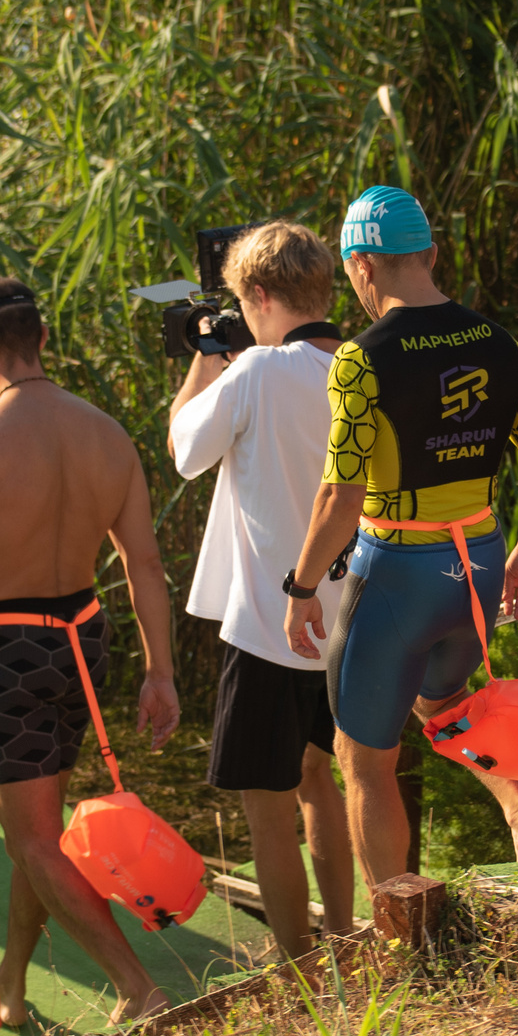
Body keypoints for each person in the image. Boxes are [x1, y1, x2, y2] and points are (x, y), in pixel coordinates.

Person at [282, 186, 518, 884]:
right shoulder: (498, 343)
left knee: (362, 757)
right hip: (479, 557)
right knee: (443, 701)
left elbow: (340, 496)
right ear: (432, 253)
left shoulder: (361, 358)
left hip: (398, 567)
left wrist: (302, 586)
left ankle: (395, 921)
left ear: (360, 266)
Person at [0, 280, 182, 1025]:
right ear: (41, 338)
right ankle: (10, 982)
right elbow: (146, 565)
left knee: (35, 839)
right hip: (84, 638)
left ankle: (138, 987)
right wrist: (160, 671)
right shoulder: (106, 432)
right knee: (36, 826)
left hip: (13, 649)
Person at [166, 223, 357, 957]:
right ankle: (343, 934)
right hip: (344, 619)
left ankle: (296, 963)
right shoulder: (356, 364)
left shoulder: (254, 374)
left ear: (261, 297)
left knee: (267, 808)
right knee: (321, 780)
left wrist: (206, 358)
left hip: (269, 624)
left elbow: (185, 449)